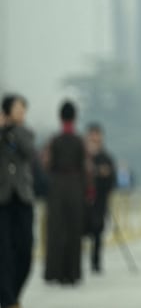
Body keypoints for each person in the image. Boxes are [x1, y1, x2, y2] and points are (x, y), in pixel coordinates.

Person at [44, 99, 87, 286]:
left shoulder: (54, 141)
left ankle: (55, 272)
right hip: (76, 187)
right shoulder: (79, 141)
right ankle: (73, 273)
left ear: (60, 117)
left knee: (56, 231)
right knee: (74, 231)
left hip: (56, 187)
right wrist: (88, 191)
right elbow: (85, 168)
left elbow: (47, 165)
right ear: (75, 117)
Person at [0, 94, 36, 308]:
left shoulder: (26, 132)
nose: (22, 113)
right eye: (18, 109)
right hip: (2, 201)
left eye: (24, 110)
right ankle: (9, 300)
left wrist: (11, 131)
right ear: (7, 111)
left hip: (22, 198)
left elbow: (29, 152)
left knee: (25, 250)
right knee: (3, 253)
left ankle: (13, 293)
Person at [84, 122, 116, 274]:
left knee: (98, 231)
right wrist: (98, 171)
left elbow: (111, 179)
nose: (95, 140)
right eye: (92, 137)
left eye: (97, 137)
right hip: (83, 201)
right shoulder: (82, 156)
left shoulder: (106, 157)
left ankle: (96, 262)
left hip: (100, 199)